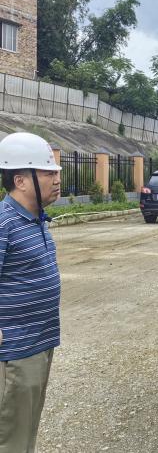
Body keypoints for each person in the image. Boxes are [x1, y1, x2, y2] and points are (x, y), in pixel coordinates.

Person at [0, 132, 62, 452]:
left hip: (40, 342)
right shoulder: (4, 223)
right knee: (11, 434)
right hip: (16, 351)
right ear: (21, 180)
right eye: (48, 172)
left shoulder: (36, 220)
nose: (57, 178)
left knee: (26, 429)